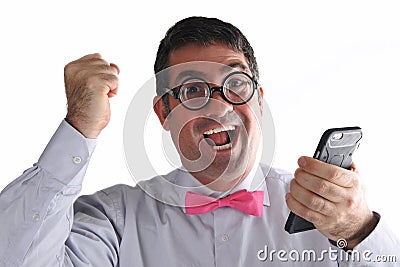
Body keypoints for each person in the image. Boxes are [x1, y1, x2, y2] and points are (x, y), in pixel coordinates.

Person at [0, 16, 399, 267]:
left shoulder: (329, 219)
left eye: (236, 84)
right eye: (193, 90)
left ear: (258, 102)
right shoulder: (115, 220)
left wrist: (360, 228)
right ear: (163, 113)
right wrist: (78, 130)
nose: (219, 107)